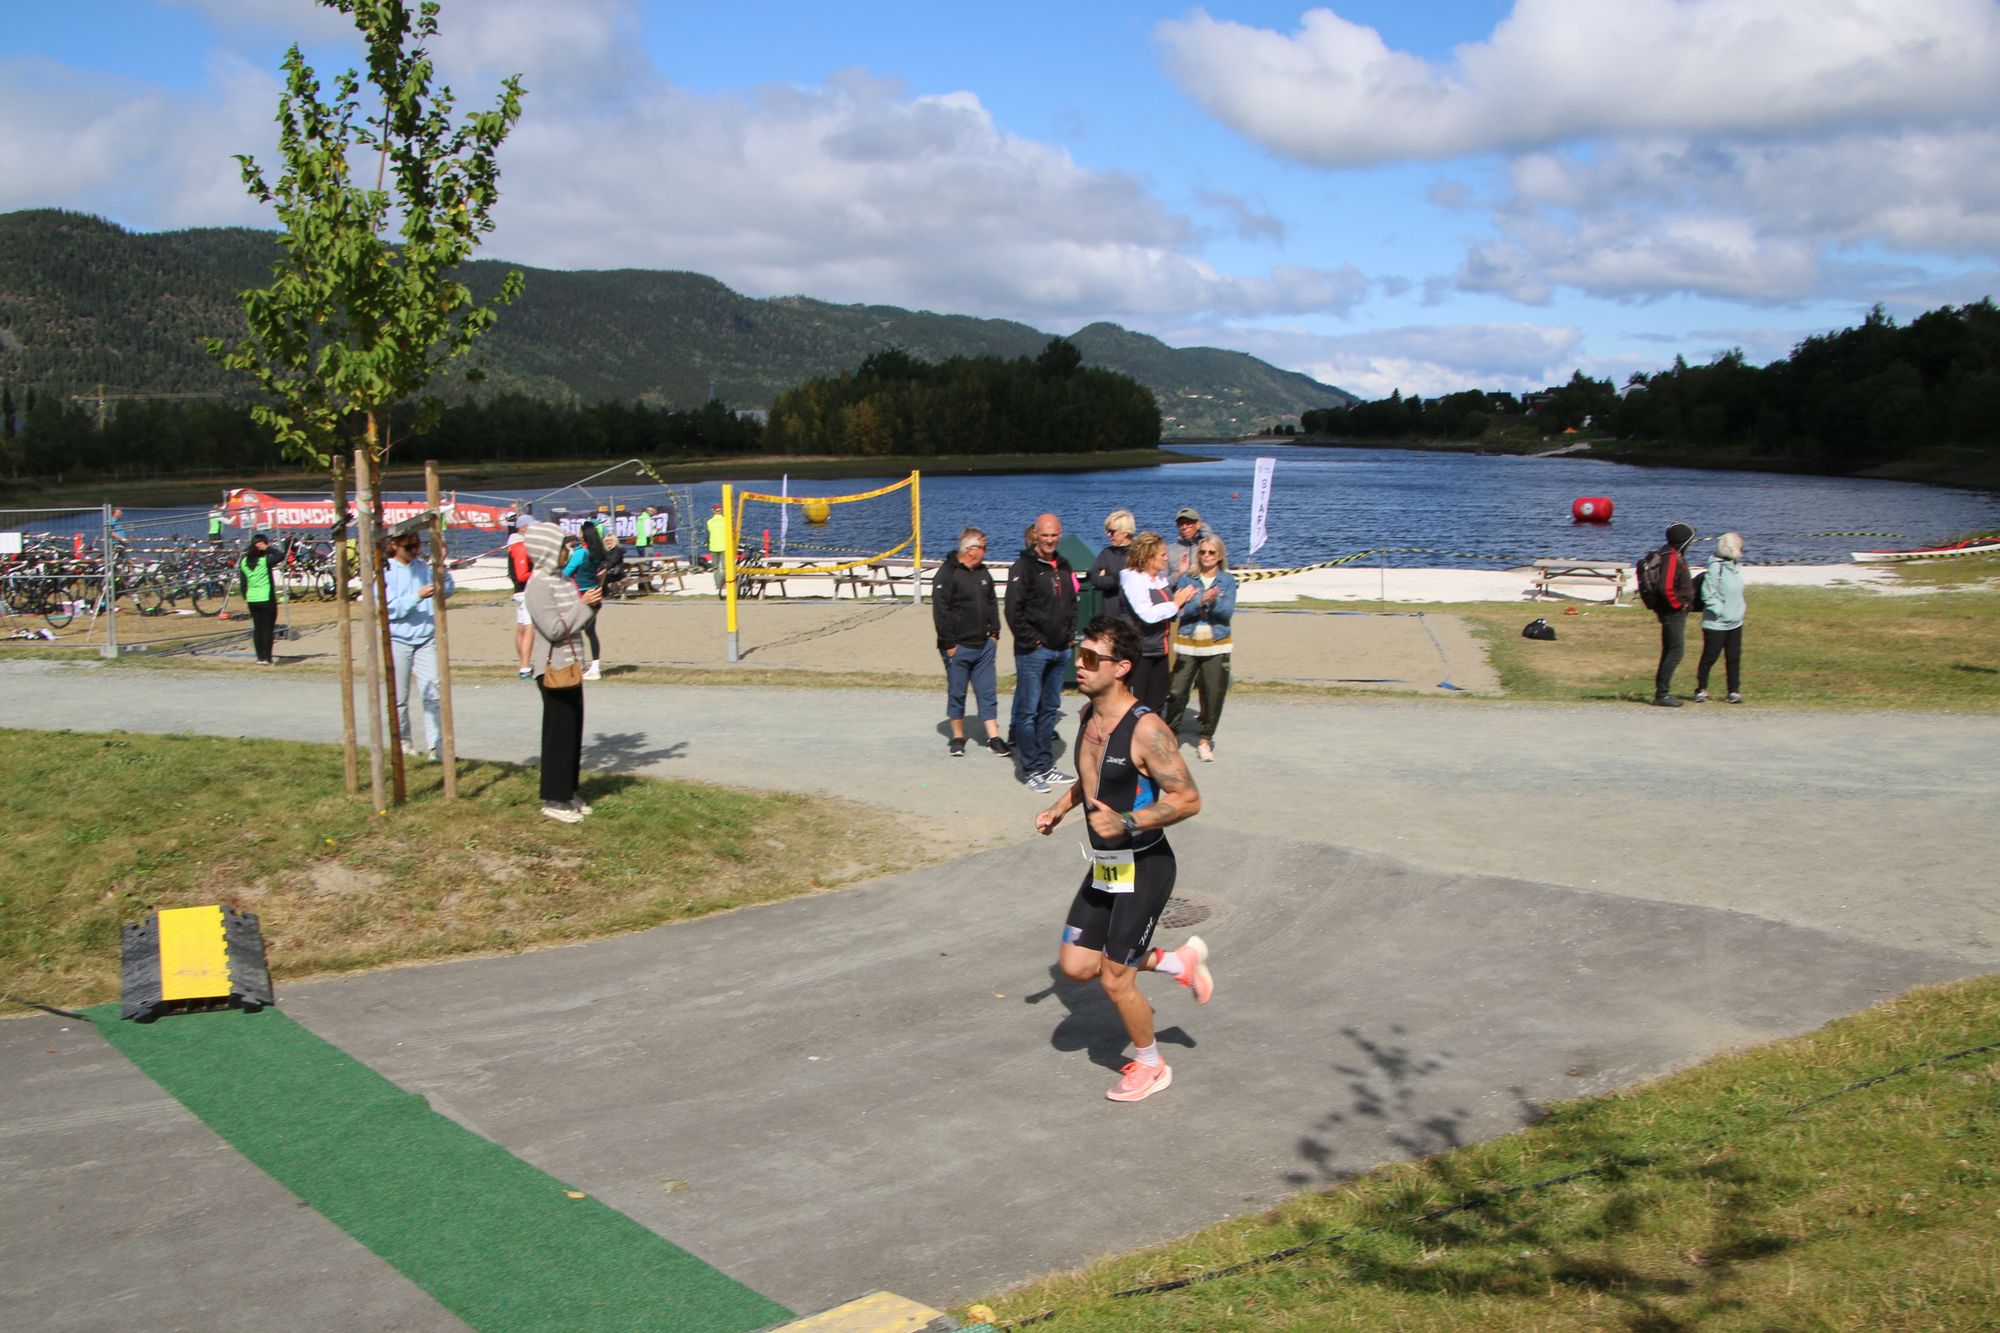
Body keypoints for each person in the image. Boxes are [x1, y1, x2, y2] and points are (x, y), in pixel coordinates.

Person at [1035, 615, 1210, 1103]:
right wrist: (1059, 807)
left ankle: (1151, 1064)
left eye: (1092, 658)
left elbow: (1189, 799)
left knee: (1115, 978)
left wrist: (1130, 823)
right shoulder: (1090, 718)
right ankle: (1177, 962)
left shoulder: (1147, 730)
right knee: (1074, 965)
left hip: (1146, 865)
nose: (1080, 665)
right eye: (1079, 654)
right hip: (1107, 862)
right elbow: (1094, 781)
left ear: (1122, 667)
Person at [522, 521, 600, 823]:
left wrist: (592, 605)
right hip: (552, 667)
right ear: (546, 551)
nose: (568, 550)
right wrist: (582, 606)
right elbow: (554, 628)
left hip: (571, 665)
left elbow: (575, 619)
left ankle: (568, 792)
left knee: (573, 729)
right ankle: (553, 798)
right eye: (562, 546)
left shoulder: (563, 579)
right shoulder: (539, 583)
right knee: (558, 733)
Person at [1005, 513, 1079, 794]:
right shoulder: (1023, 567)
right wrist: (1032, 641)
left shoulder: (1063, 565)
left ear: (1060, 534)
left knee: (1049, 709)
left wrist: (1070, 636)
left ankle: (1046, 764)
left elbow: (1072, 603)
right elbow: (1013, 610)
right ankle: (1031, 768)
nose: (1049, 540)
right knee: (1028, 711)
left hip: (1061, 649)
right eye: (1044, 535)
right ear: (1036, 534)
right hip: (1033, 652)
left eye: (1054, 535)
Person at [933, 527, 1010, 758]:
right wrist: (949, 645)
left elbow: (992, 603)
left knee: (987, 692)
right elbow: (941, 611)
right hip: (958, 646)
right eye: (983, 547)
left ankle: (993, 737)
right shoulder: (947, 574)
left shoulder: (983, 573)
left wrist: (995, 634)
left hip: (984, 645)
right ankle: (958, 737)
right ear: (970, 549)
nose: (986, 552)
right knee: (957, 692)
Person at [1165, 534, 1237, 761]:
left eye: (1211, 553)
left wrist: (1213, 603)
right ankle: (1172, 732)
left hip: (1216, 644)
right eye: (1203, 552)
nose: (1206, 556)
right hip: (1188, 643)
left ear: (1219, 556)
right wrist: (1201, 601)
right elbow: (1181, 611)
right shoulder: (1188, 579)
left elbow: (1226, 613)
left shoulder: (1227, 580)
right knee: (1177, 691)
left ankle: (1205, 739)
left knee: (1213, 693)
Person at [384, 530, 454, 760]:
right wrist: (417, 597)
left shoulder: (422, 566)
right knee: (399, 696)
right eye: (409, 548)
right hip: (398, 639)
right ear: (394, 545)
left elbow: (447, 591)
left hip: (426, 637)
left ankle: (437, 747)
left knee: (433, 692)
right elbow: (389, 609)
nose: (414, 552)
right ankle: (403, 742)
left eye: (417, 547)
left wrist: (441, 566)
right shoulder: (386, 571)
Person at [1118, 532, 1197, 715]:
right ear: (1147, 556)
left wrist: (1181, 598)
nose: (1166, 557)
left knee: (1157, 705)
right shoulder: (1133, 579)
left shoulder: (1159, 578)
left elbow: (1168, 608)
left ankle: (1153, 742)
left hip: (1160, 649)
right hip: (1139, 652)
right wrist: (1176, 603)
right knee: (1137, 707)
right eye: (1162, 554)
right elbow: (1147, 614)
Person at [1694, 531, 1747, 704]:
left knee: (1733, 657)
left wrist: (1740, 610)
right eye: (1740, 547)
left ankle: (1734, 690)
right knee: (1710, 657)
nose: (1742, 550)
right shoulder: (1716, 567)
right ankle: (1701, 689)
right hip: (1716, 623)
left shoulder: (1735, 565)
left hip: (1735, 622)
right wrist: (1721, 612)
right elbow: (1707, 594)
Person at [1651, 521, 1699, 707]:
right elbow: (1665, 587)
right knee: (1676, 652)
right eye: (1689, 541)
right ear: (1683, 542)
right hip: (1673, 612)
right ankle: (1662, 693)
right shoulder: (1671, 557)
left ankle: (1662, 692)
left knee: (1670, 650)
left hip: (1672, 611)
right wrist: (1678, 605)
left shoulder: (1672, 554)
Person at [563, 528, 606, 681]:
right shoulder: (597, 553)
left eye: (581, 533)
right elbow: (600, 571)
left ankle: (578, 665)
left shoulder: (581, 553)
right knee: (590, 631)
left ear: (584, 536)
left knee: (572, 629)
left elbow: (566, 572)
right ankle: (594, 666)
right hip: (595, 592)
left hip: (581, 593)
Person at [237, 532, 282, 665]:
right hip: (266, 597)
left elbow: (243, 582)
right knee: (268, 628)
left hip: (252, 598)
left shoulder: (244, 561)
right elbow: (281, 555)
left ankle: (259, 658)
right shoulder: (265, 560)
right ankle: (267, 658)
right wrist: (267, 548)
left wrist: (246, 596)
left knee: (258, 629)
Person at [1086, 509, 1136, 615]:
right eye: (1107, 531)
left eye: (1112, 532)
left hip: (1132, 618)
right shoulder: (1106, 553)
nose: (1108, 535)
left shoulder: (1138, 553)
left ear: (1125, 533)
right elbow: (1096, 580)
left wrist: (1107, 578)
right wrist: (1121, 578)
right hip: (1110, 618)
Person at [507, 515, 535, 680]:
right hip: (524, 591)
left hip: (520, 591)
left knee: (522, 627)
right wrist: (539, 571)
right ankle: (525, 667)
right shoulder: (519, 546)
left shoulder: (516, 544)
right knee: (529, 628)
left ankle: (524, 664)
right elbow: (522, 574)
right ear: (523, 528)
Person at [1165, 507, 1213, 582]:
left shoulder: (1204, 546)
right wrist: (1178, 574)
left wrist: (1201, 525)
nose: (1184, 527)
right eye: (1181, 524)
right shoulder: (1169, 550)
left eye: (1188, 523)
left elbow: (1210, 536)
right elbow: (1163, 584)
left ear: (1198, 524)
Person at [706, 503, 730, 598]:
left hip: (713, 546)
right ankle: (724, 583)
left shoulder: (709, 522)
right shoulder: (726, 521)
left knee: (715, 567)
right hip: (724, 546)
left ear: (713, 511)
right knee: (725, 567)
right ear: (721, 511)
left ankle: (718, 584)